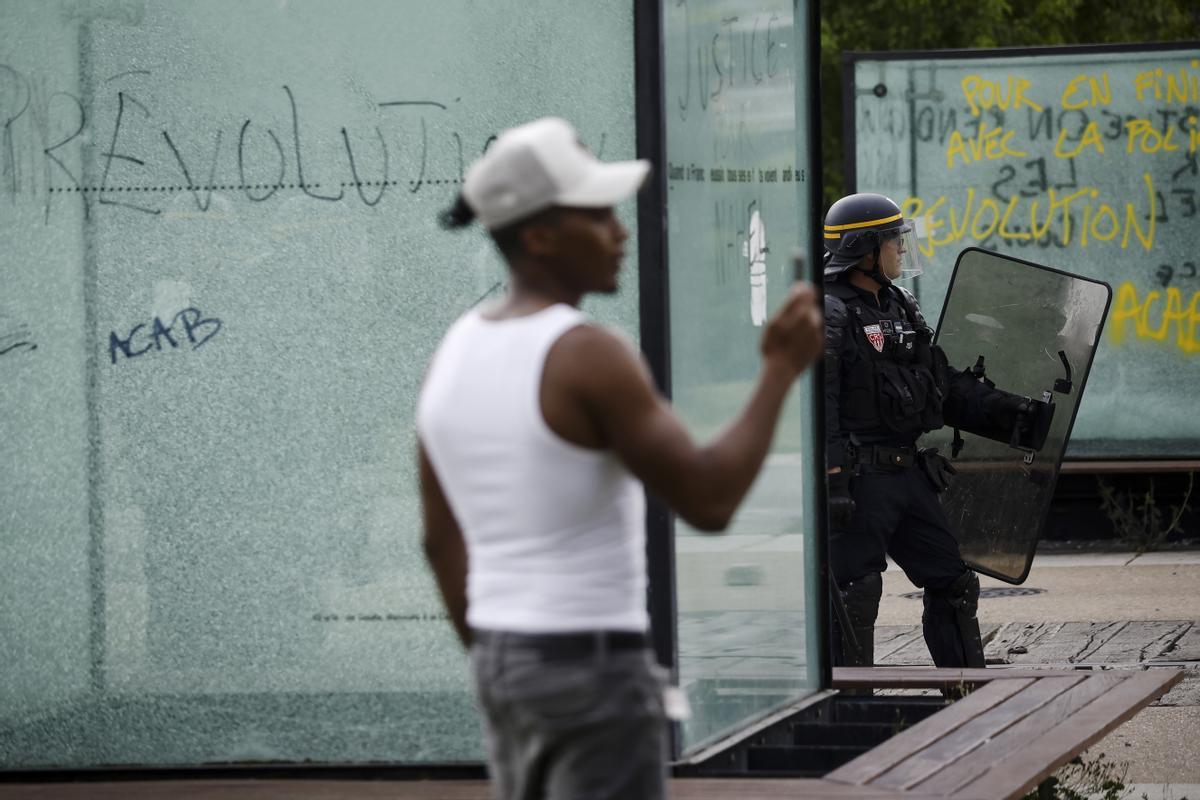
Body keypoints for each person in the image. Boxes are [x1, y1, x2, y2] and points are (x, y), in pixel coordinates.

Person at [416, 117, 824, 800]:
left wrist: (501, 652)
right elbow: (709, 498)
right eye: (598, 213)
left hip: (502, 658)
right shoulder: (585, 353)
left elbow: (438, 540)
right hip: (591, 667)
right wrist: (780, 368)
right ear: (539, 236)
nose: (620, 230)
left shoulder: (453, 353)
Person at [822, 192, 1053, 672]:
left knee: (953, 582)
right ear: (865, 248)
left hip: (907, 473)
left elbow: (938, 386)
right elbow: (815, 406)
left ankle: (964, 700)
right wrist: (833, 478)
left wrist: (1012, 415)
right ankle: (850, 713)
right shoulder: (829, 312)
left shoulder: (899, 305)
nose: (902, 251)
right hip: (857, 481)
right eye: (893, 241)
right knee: (854, 593)